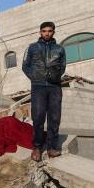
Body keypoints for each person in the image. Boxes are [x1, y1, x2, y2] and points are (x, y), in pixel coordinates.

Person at [22, 21, 66, 162]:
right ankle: (37, 147)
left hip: (54, 86)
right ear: (40, 32)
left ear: (53, 32)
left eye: (50, 31)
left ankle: (52, 147)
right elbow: (25, 65)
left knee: (54, 117)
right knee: (39, 116)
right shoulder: (32, 47)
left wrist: (55, 76)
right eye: (44, 31)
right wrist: (34, 77)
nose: (47, 33)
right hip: (38, 86)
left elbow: (63, 66)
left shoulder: (60, 49)